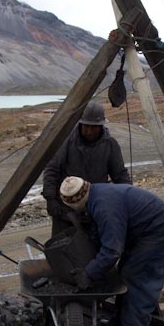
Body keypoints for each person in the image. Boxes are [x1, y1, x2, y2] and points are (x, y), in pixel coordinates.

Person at [59, 176, 164, 326]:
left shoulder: (104, 207)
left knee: (137, 278)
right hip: (142, 231)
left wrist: (89, 273)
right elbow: (102, 234)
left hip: (159, 231)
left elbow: (112, 251)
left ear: (76, 204)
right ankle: (119, 323)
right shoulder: (96, 194)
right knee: (124, 272)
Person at [42, 101, 131, 236]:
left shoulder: (110, 145)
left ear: (101, 125)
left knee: (94, 249)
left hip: (95, 208)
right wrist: (50, 199)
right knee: (64, 249)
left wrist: (129, 197)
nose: (89, 131)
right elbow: (52, 169)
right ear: (80, 124)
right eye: (86, 126)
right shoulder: (67, 141)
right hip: (66, 211)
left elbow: (120, 175)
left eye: (94, 127)